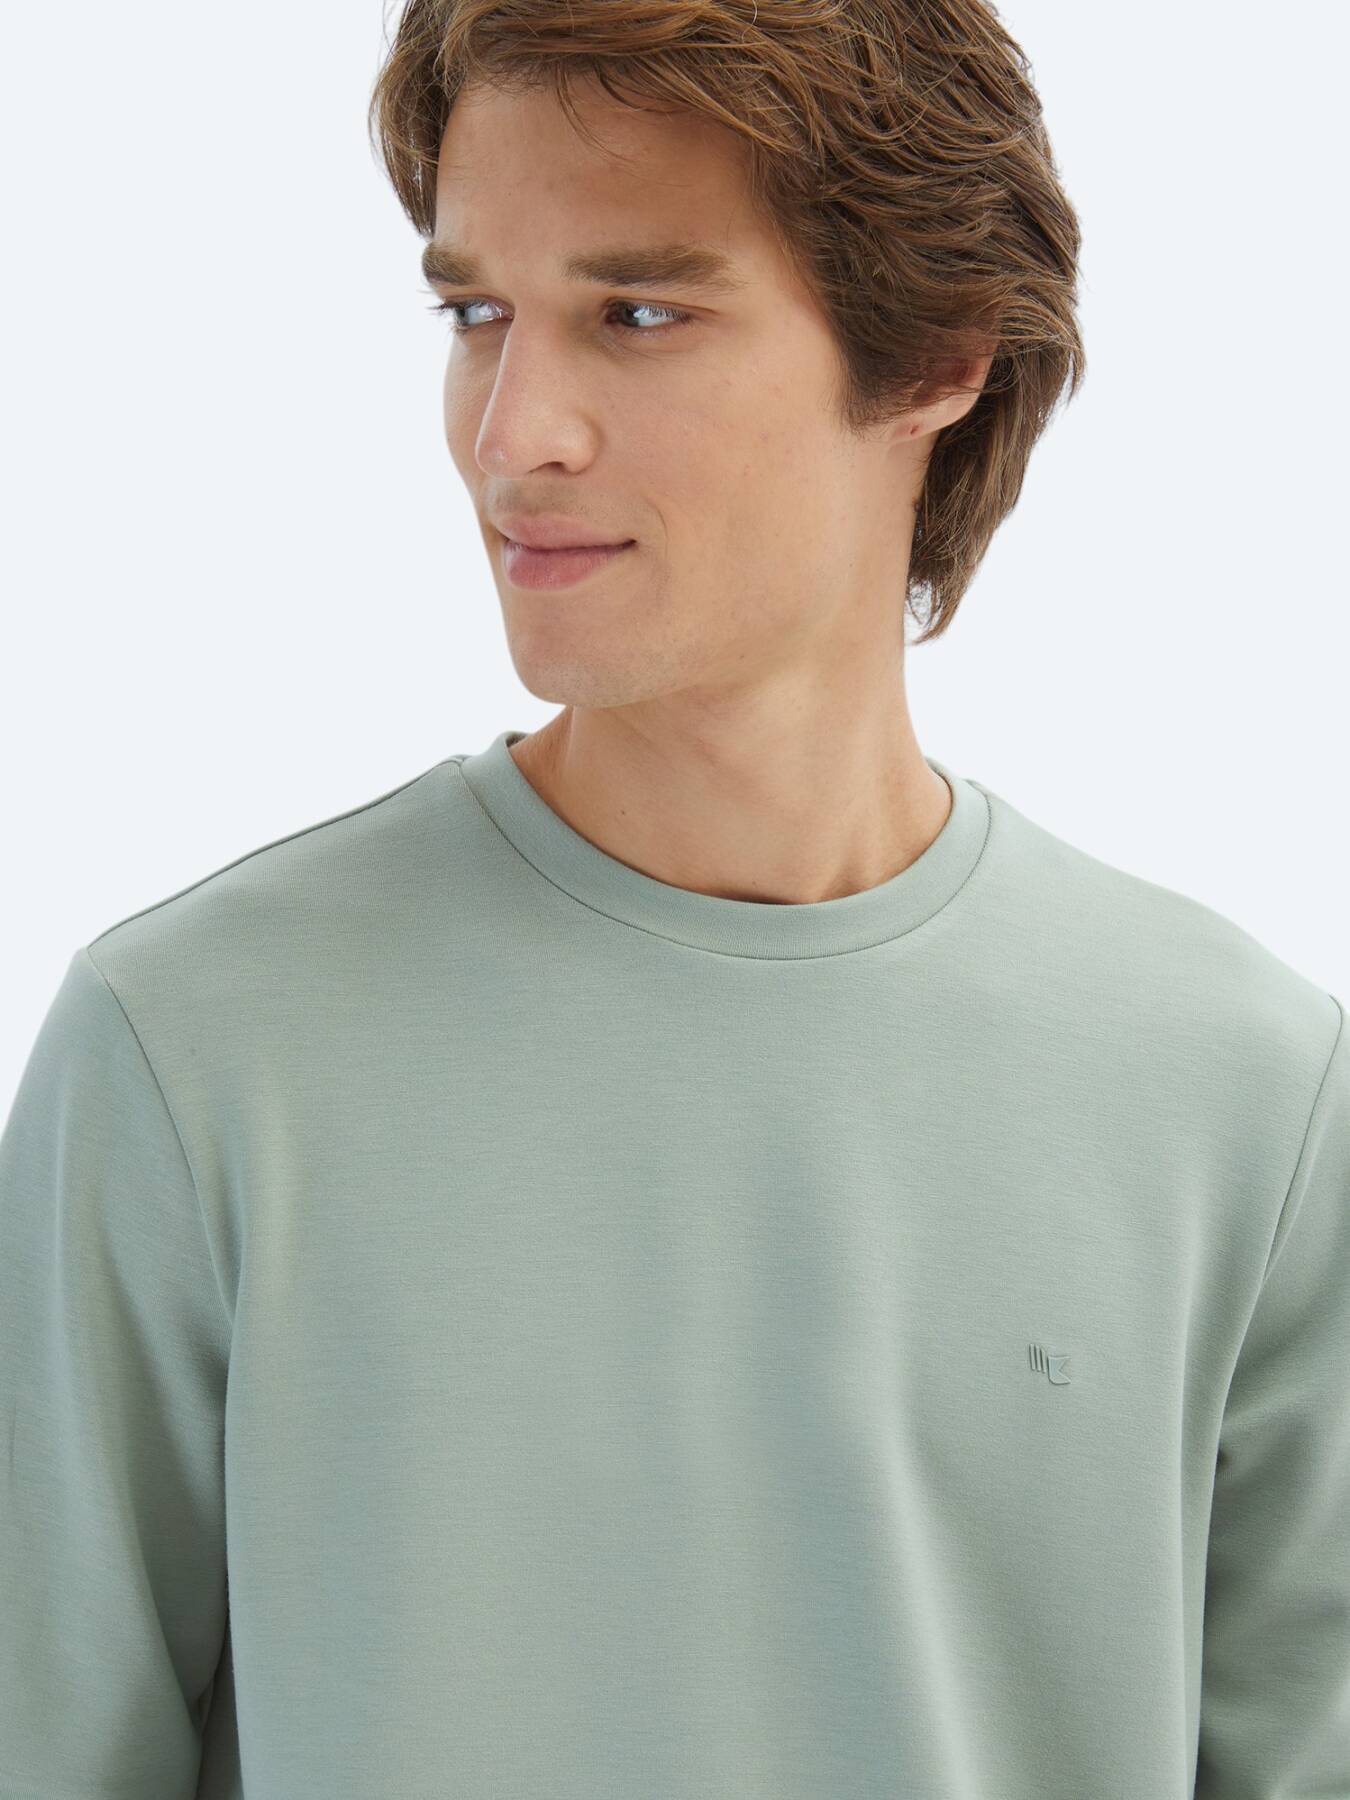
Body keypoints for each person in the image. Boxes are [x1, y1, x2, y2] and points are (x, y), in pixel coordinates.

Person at [2, 4, 1346, 1796]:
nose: (514, 433)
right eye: (475, 315)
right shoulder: (190, 1056)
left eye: (636, 314)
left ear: (936, 353)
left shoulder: (1248, 1098)